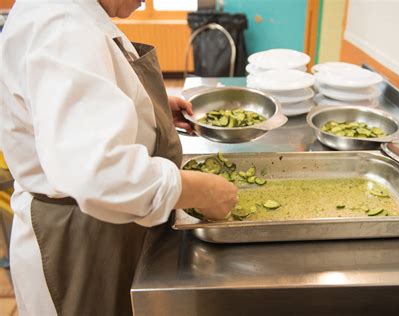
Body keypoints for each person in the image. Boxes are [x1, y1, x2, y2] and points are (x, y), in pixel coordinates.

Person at [0, 0, 238, 314]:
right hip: (77, 245)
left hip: (98, 229)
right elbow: (102, 174)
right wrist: (204, 191)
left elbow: (70, 103)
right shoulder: (62, 27)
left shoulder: (67, 13)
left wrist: (146, 109)